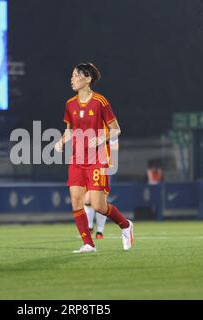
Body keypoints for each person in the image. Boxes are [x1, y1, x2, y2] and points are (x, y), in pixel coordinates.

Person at [55, 62, 134, 253]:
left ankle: (125, 225)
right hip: (77, 159)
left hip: (98, 159)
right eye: (72, 75)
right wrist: (61, 141)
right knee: (76, 200)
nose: (72, 79)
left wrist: (100, 138)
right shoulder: (70, 104)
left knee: (98, 205)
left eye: (76, 75)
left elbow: (116, 129)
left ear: (88, 78)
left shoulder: (100, 101)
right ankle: (88, 243)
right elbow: (70, 130)